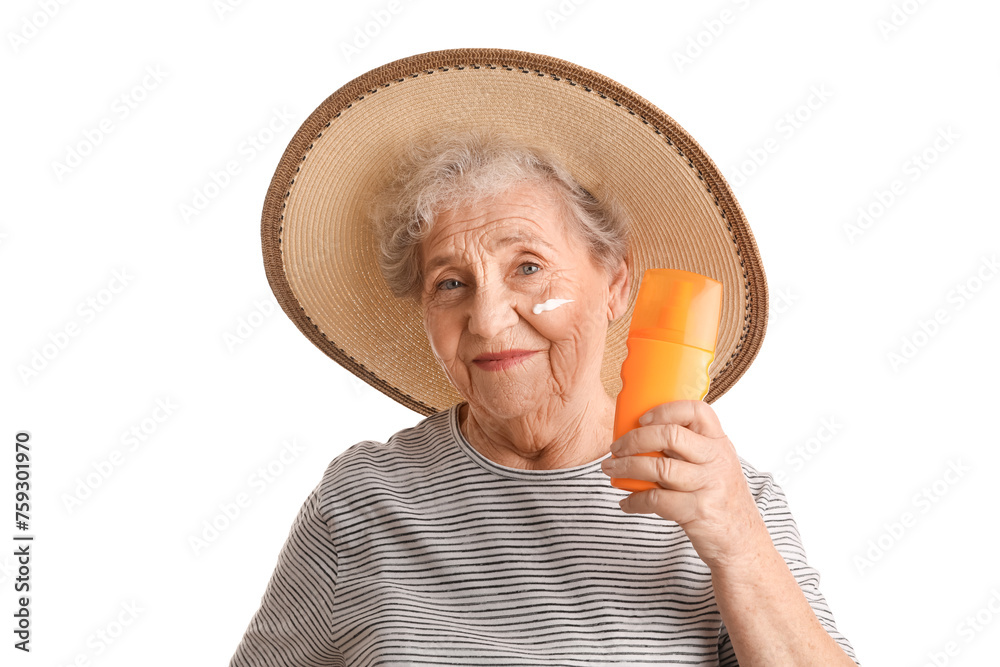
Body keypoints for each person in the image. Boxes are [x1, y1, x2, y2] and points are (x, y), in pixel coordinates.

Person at [230, 49, 860, 666]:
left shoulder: (722, 498)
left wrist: (740, 547)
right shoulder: (362, 501)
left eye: (528, 267)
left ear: (614, 283)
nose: (488, 318)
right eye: (450, 283)